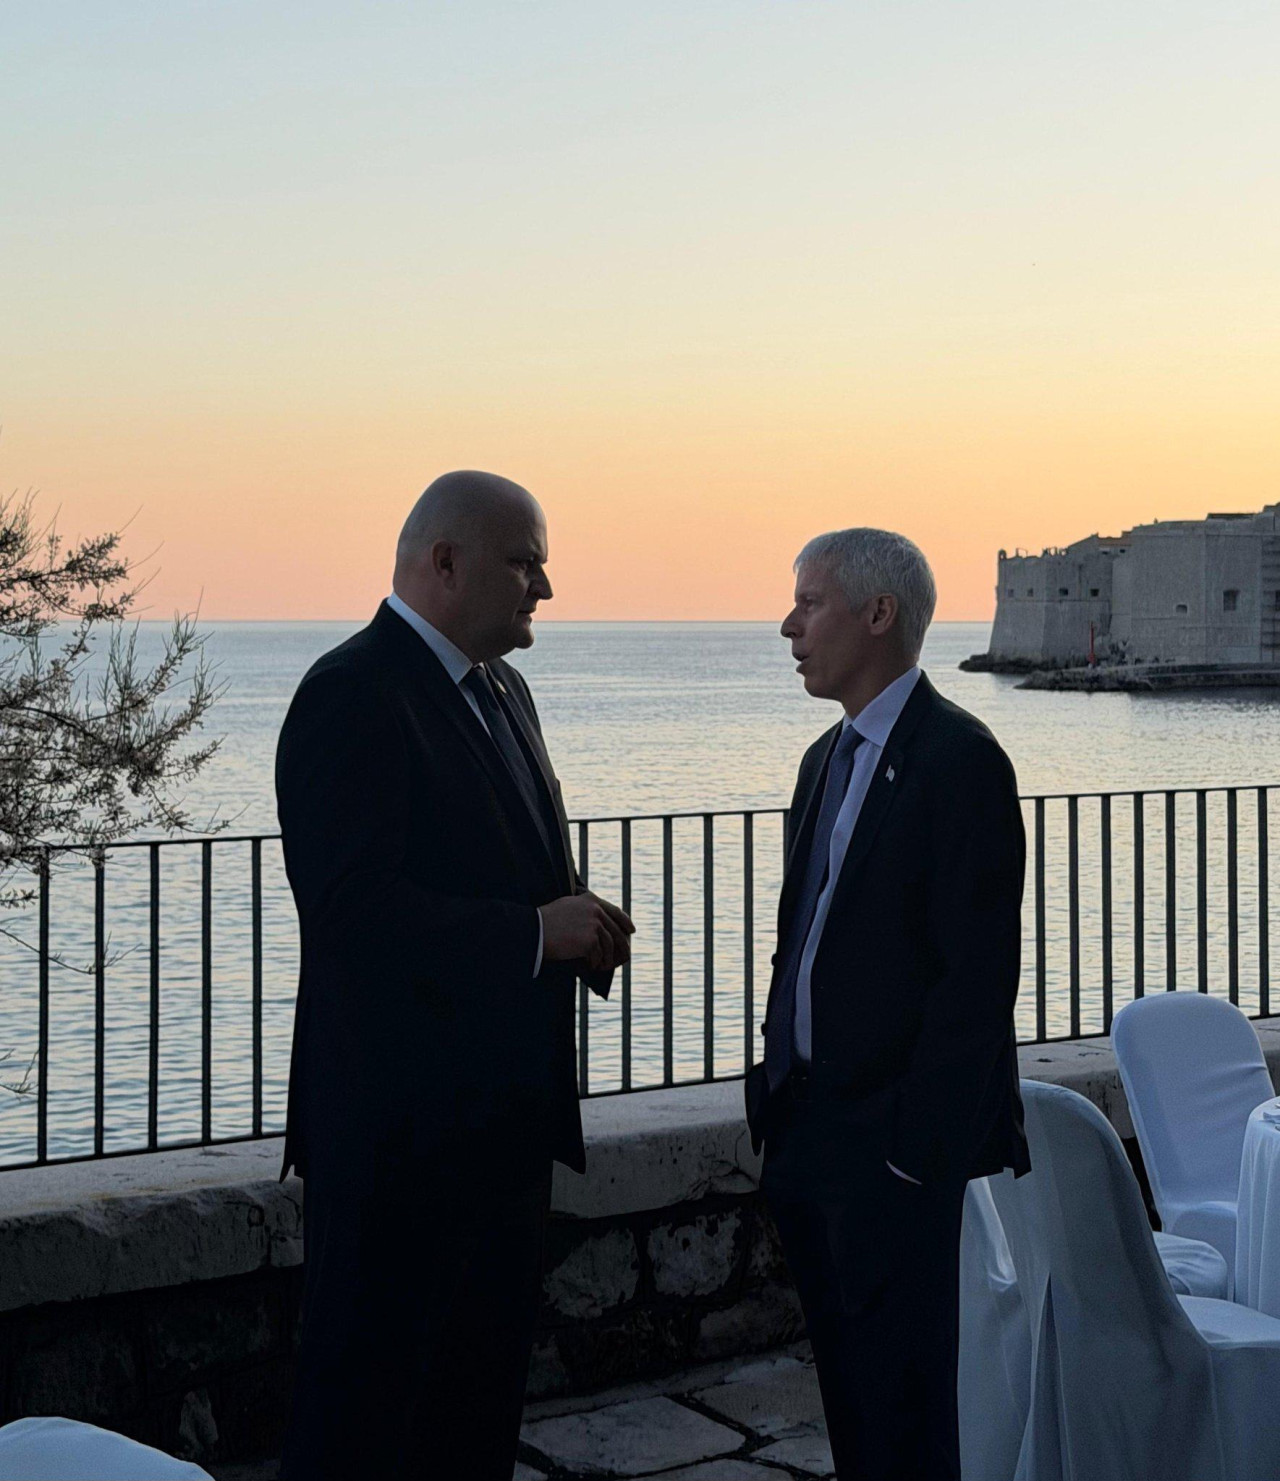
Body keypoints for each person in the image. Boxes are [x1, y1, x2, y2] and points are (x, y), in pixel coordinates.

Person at [276, 470, 633, 1480]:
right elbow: (352, 917)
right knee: (365, 1424)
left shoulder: (502, 690)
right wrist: (533, 934)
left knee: (472, 1424)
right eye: (524, 564)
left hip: (500, 1135)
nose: (544, 588)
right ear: (444, 562)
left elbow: (501, 865)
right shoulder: (350, 693)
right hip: (397, 1146)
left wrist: (576, 923)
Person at [744, 526, 1029, 1480]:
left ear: (878, 614)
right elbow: (805, 937)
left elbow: (974, 983)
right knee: (849, 1398)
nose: (789, 626)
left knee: (906, 1410)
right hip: (809, 1132)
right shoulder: (823, 759)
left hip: (891, 1153)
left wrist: (915, 1158)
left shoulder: (960, 759)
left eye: (809, 602)